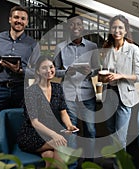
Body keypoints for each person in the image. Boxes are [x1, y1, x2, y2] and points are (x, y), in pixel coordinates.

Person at [0, 5, 39, 168]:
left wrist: (20, 70)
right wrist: (0, 63)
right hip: (0, 90)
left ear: (26, 22)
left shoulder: (33, 44)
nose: (19, 21)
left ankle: (16, 165)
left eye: (22, 18)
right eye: (16, 17)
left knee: (20, 131)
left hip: (21, 91)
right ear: (10, 19)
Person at [53, 14, 99, 163]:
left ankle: (89, 163)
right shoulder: (60, 47)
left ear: (83, 28)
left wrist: (90, 72)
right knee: (71, 131)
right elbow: (55, 70)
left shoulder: (92, 47)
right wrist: (67, 72)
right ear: (68, 27)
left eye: (79, 25)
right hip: (68, 95)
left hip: (87, 94)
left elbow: (97, 69)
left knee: (90, 130)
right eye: (72, 25)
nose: (76, 27)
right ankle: (72, 164)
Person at [17, 55, 78, 168]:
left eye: (51, 67)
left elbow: (63, 111)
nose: (49, 70)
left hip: (50, 133)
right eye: (44, 68)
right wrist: (55, 135)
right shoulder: (31, 92)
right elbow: (34, 123)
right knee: (61, 145)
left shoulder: (57, 87)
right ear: (38, 71)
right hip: (33, 134)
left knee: (49, 156)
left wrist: (69, 125)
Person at [101, 14, 139, 150]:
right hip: (109, 94)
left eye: (120, 28)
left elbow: (138, 76)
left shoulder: (133, 49)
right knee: (111, 130)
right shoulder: (107, 49)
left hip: (124, 95)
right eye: (114, 27)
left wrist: (120, 76)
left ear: (125, 30)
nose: (117, 31)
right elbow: (103, 73)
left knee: (120, 136)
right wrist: (104, 78)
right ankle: (116, 160)